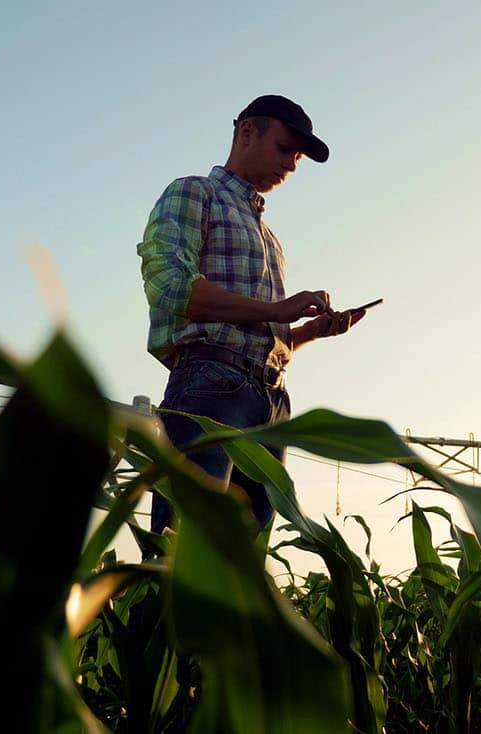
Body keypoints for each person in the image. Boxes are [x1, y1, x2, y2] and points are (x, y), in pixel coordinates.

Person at [137, 94, 364, 537]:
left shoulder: (270, 238)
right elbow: (168, 286)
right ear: (246, 133)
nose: (293, 166)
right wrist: (275, 310)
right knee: (183, 553)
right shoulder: (194, 193)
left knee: (243, 571)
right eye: (285, 150)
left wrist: (306, 333)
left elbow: (253, 332)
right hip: (210, 388)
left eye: (297, 157)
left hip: (271, 400)